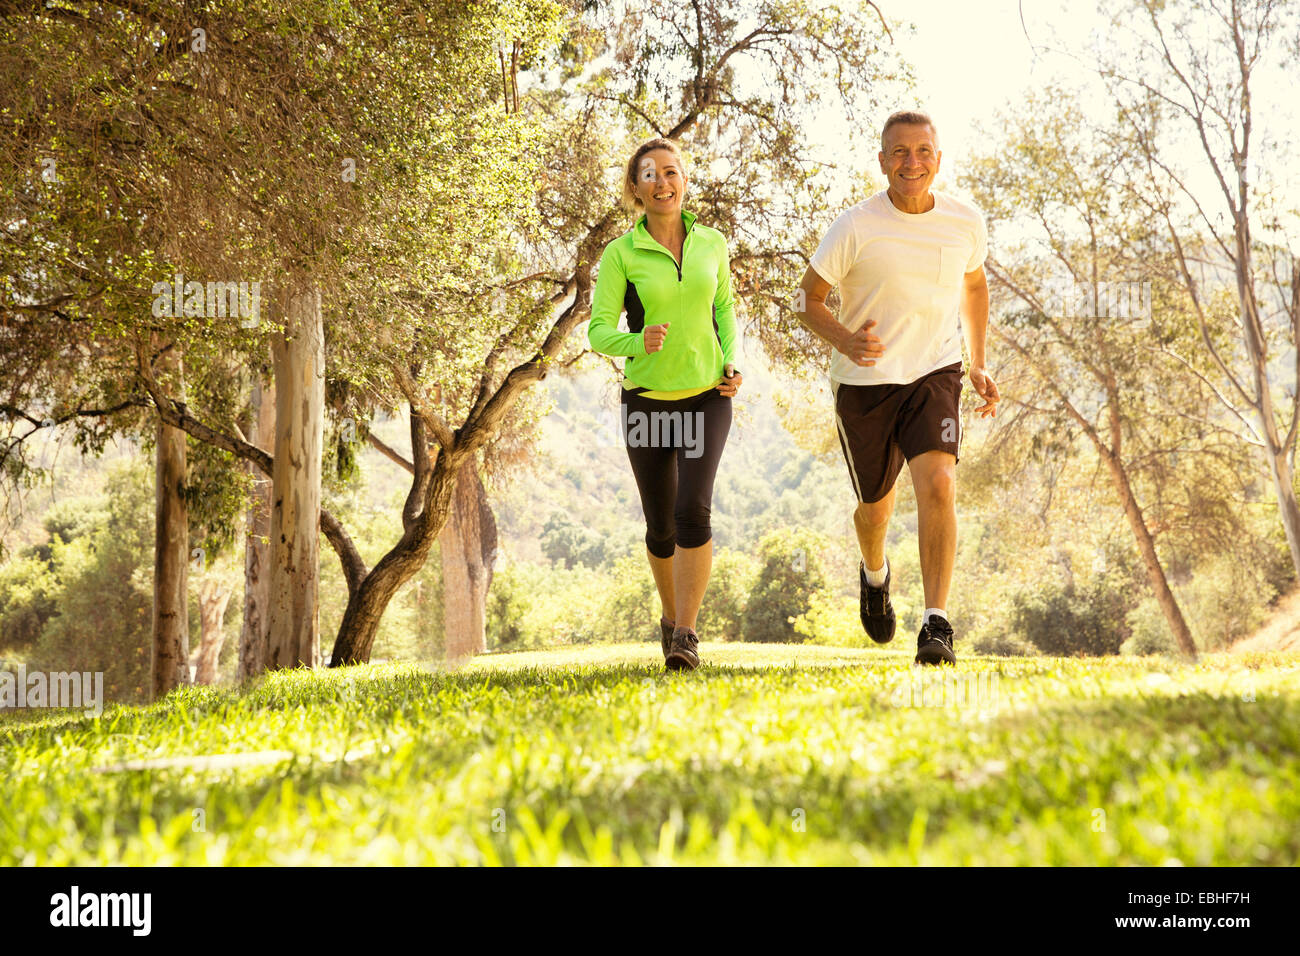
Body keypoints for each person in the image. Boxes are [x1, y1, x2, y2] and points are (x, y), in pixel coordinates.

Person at [795, 110, 999, 666]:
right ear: (883, 161)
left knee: (938, 484)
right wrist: (845, 339)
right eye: (900, 153)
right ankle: (875, 572)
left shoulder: (964, 221)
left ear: (939, 157)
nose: (913, 162)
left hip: (936, 371)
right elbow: (808, 298)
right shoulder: (856, 225)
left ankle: (936, 624)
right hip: (865, 385)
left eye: (923, 151)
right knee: (876, 510)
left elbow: (975, 284)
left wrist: (976, 362)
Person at [587, 137, 741, 671]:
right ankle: (672, 621)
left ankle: (688, 636)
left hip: (705, 398)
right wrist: (638, 341)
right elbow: (599, 332)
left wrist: (732, 362)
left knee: (693, 510)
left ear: (684, 180)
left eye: (670, 172)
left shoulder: (712, 244)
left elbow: (724, 308)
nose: (662, 182)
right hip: (648, 402)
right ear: (635, 189)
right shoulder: (621, 255)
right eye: (649, 175)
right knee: (661, 526)